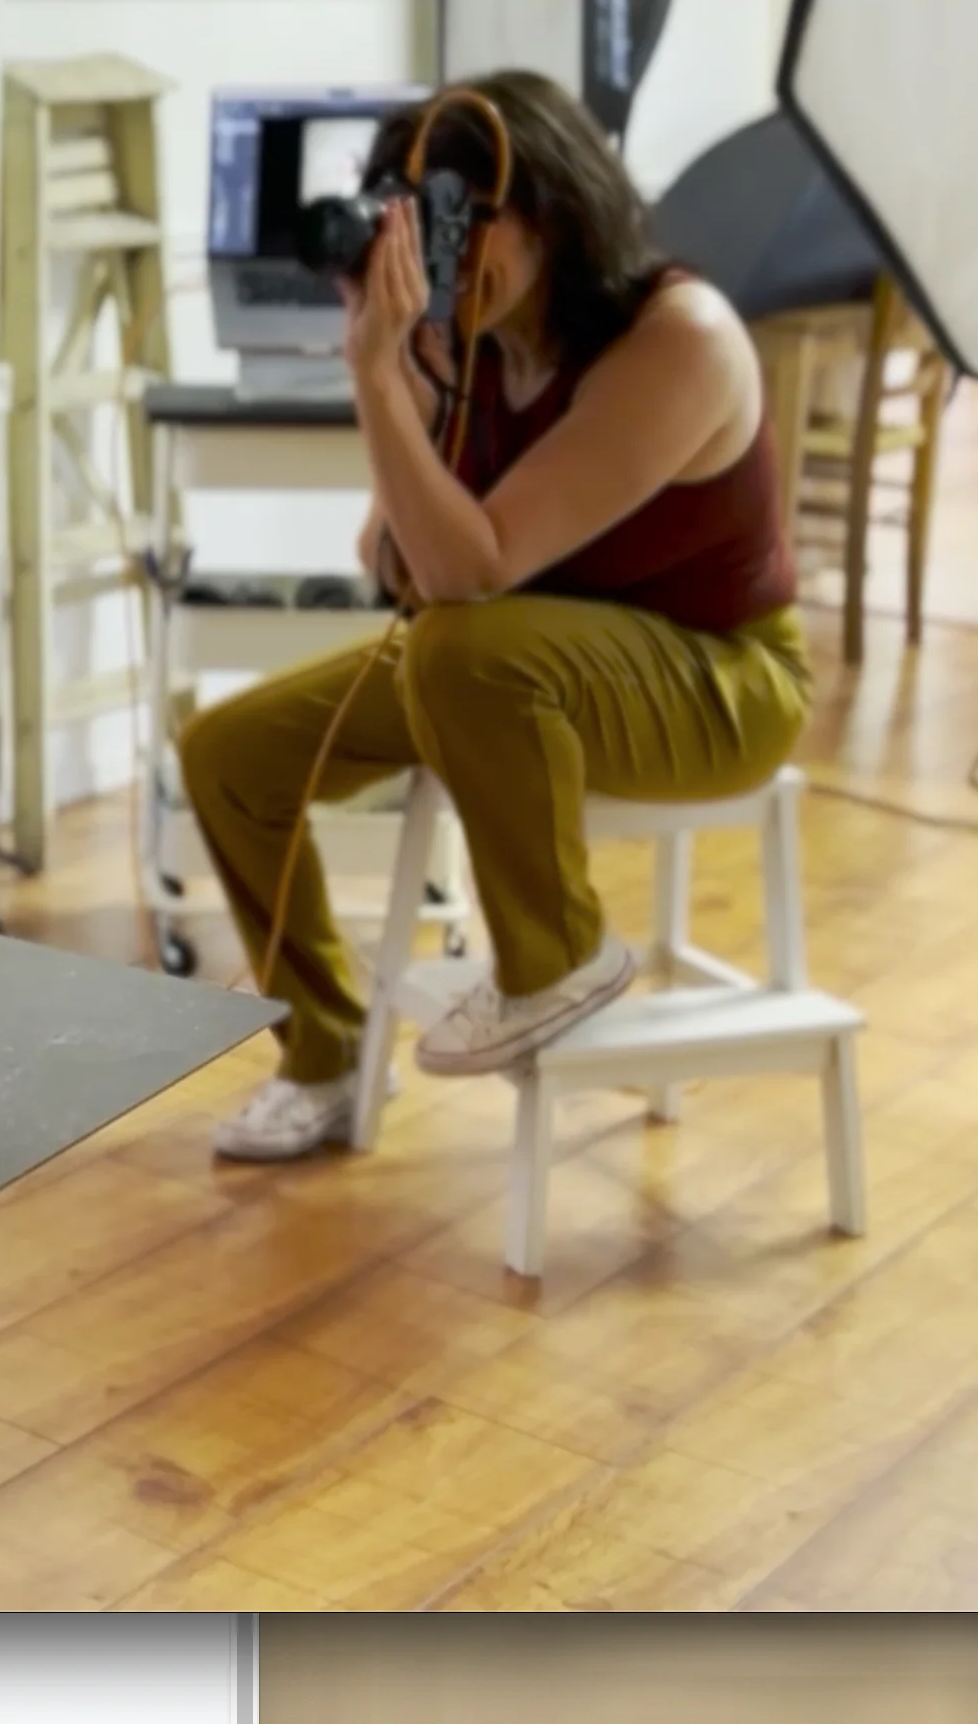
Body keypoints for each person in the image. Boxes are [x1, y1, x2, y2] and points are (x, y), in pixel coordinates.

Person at [182, 72, 808, 1164]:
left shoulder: (679, 336)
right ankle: (327, 1051)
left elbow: (470, 577)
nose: (446, 254)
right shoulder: (474, 346)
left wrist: (377, 383)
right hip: (517, 664)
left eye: (464, 219)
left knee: (462, 647)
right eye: (420, 224)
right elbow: (394, 565)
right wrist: (405, 386)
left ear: (554, 211)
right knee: (230, 755)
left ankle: (559, 955)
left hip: (720, 683)